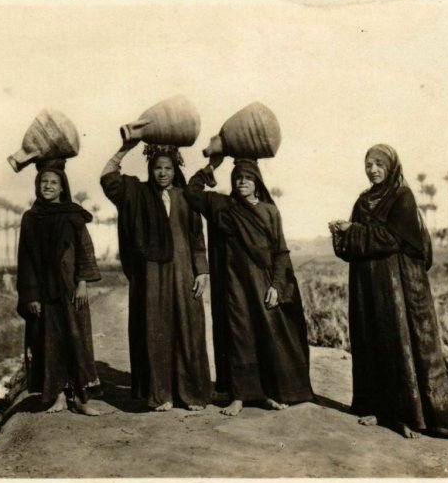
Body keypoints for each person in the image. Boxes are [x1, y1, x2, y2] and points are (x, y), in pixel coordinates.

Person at [330, 144, 448, 440]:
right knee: (372, 340)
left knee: (398, 342)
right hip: (367, 285)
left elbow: (391, 238)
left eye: (379, 164)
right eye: (369, 164)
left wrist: (353, 230)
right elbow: (353, 248)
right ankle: (377, 409)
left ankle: (407, 416)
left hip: (396, 286)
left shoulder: (402, 197)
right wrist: (343, 232)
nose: (373, 170)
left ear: (391, 167)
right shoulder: (363, 201)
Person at [184, 154, 313, 416]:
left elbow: (281, 251)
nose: (242, 182)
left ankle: (266, 393)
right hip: (233, 283)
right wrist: (213, 165)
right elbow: (191, 192)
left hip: (262, 282)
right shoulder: (222, 205)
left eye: (248, 178)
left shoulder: (269, 211)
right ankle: (239, 396)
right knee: (239, 334)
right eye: (238, 178)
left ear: (257, 182)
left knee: (267, 334)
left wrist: (276, 285)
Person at [100, 141, 211, 412]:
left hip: (183, 272)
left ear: (175, 170)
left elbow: (197, 237)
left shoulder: (185, 197)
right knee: (155, 328)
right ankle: (161, 395)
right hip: (151, 275)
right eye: (158, 168)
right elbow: (109, 180)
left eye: (168, 168)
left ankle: (190, 394)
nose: (163, 173)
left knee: (188, 327)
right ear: (150, 170)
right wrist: (125, 148)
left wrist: (202, 271)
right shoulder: (137, 193)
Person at [16, 161, 103, 416]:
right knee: (51, 342)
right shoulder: (30, 218)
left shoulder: (73, 215)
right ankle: (58, 397)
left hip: (71, 288)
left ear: (63, 187)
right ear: (37, 185)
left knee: (77, 339)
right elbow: (25, 259)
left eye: (54, 182)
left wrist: (82, 283)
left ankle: (82, 399)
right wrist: (31, 295)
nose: (48, 186)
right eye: (44, 182)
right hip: (44, 292)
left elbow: (85, 249)